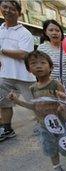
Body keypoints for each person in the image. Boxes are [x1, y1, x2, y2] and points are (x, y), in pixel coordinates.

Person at [7, 51, 66, 171]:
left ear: (51, 67)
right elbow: (34, 106)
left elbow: (65, 102)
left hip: (60, 123)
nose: (38, 66)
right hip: (44, 125)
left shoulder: (55, 84)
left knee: (65, 145)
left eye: (43, 63)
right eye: (33, 63)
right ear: (28, 69)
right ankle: (57, 166)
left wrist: (62, 101)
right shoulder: (32, 88)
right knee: (50, 147)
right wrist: (16, 101)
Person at [0, 0, 35, 141]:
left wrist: (2, 51)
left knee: (36, 103)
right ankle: (7, 128)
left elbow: (24, 54)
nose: (7, 10)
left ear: (19, 13)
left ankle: (45, 124)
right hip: (4, 74)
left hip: (24, 76)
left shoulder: (24, 33)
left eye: (12, 9)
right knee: (4, 103)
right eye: (4, 7)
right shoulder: (0, 30)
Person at [38, 19, 66, 97]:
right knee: (55, 107)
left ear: (61, 32)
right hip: (52, 84)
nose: (54, 33)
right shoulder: (42, 48)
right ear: (45, 32)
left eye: (57, 30)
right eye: (51, 30)